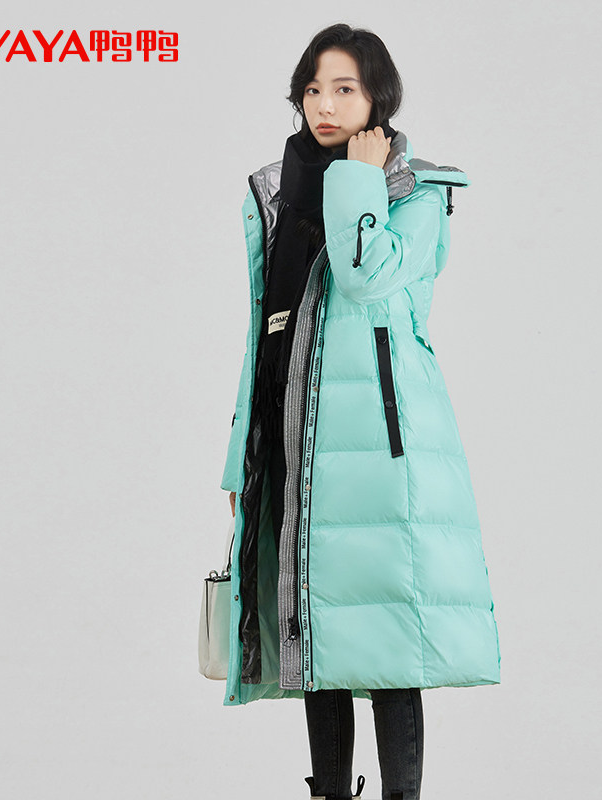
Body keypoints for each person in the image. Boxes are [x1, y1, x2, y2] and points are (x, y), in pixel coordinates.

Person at [219, 23, 501, 800]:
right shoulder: (280, 195)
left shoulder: (418, 193)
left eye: (344, 88)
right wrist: (243, 456)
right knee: (318, 637)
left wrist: (358, 179)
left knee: (389, 637)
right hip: (297, 440)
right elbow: (267, 333)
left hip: (378, 447)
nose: (324, 105)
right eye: (313, 89)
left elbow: (366, 274)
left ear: (378, 95)